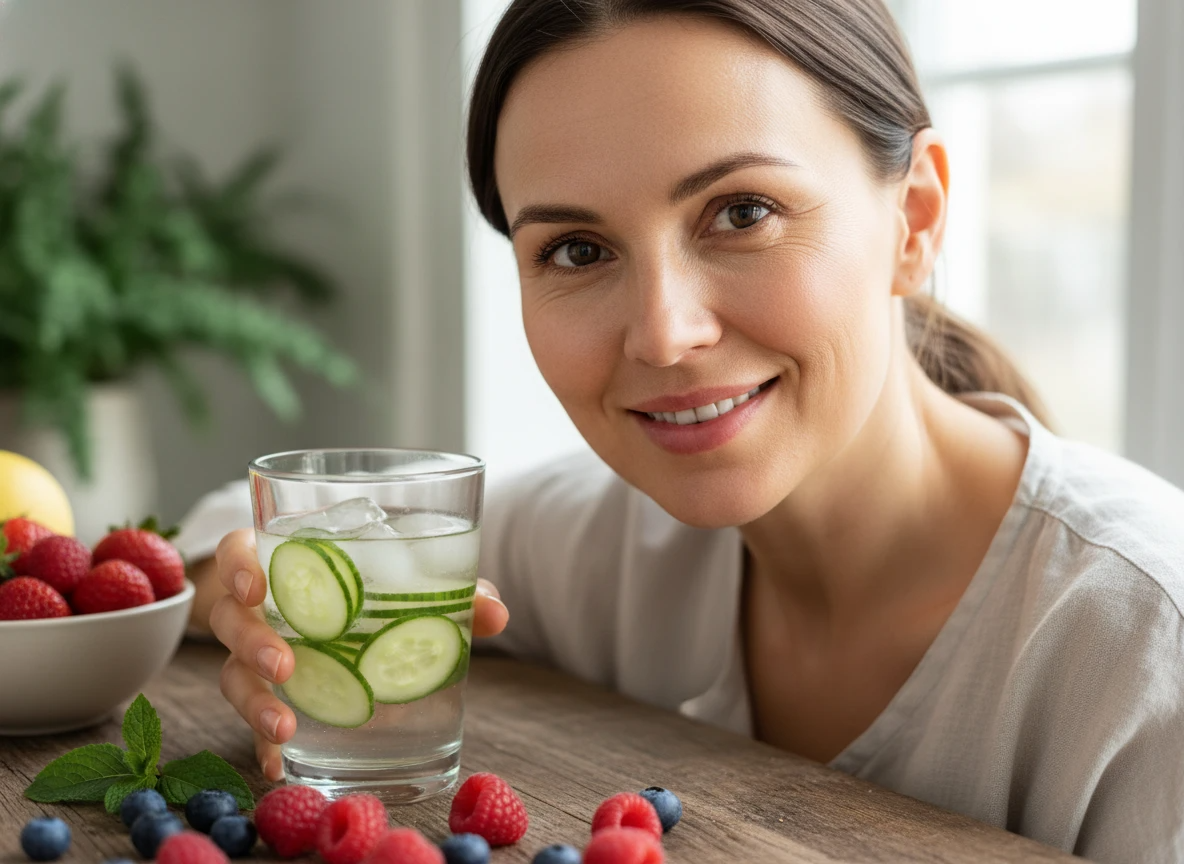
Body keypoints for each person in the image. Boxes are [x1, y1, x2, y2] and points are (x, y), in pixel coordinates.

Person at [196, 1, 1184, 860]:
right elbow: (202, 533)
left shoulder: (1141, 648)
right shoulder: (603, 546)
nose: (665, 335)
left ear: (913, 219)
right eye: (577, 248)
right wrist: (237, 592)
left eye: (740, 212)